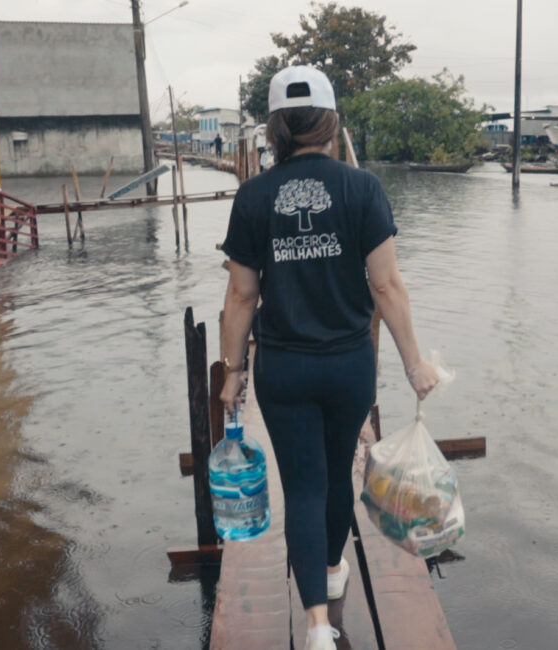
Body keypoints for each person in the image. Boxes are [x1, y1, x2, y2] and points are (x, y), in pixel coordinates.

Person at [218, 65, 440, 650]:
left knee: (306, 487)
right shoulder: (361, 188)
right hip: (348, 366)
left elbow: (241, 295)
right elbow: (387, 286)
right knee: (341, 470)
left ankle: (317, 625)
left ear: (274, 128)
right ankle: (335, 567)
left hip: (284, 369)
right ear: (331, 119)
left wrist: (232, 372)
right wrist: (416, 364)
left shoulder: (254, 196)